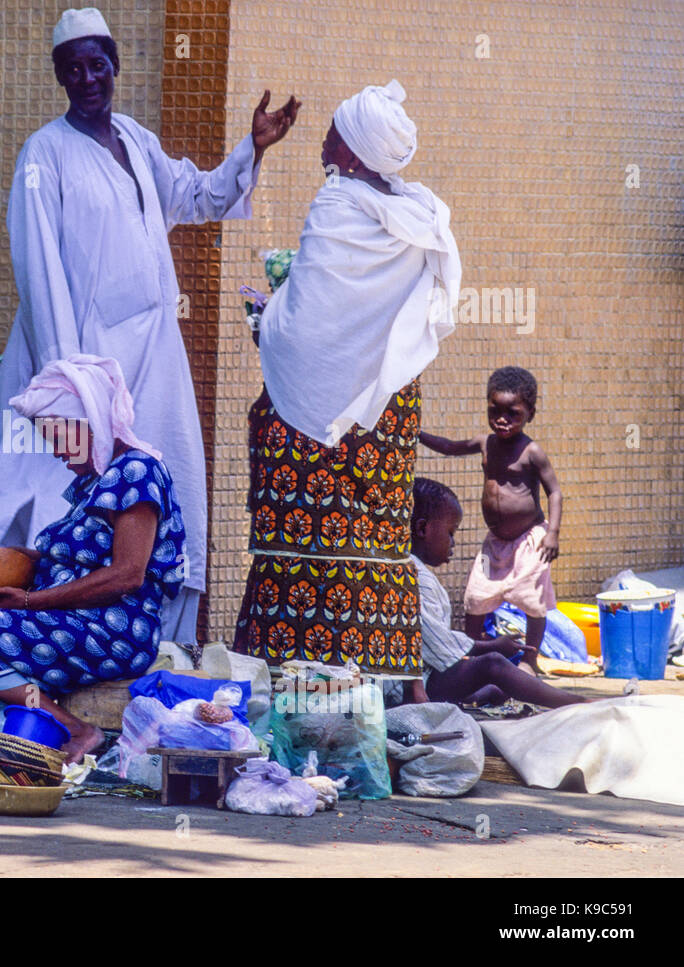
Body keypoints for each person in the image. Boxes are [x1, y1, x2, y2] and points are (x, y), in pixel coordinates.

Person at [0, 6, 300, 645]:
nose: (87, 78)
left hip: (155, 354)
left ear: (114, 68)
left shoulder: (137, 139)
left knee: (162, 481)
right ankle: (48, 634)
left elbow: (200, 196)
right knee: (56, 493)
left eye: (98, 65)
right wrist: (73, 382)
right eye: (74, 69)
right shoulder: (43, 154)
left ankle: (158, 642)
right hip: (83, 358)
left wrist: (252, 146)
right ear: (61, 79)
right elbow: (39, 269)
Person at [232, 80, 462, 678]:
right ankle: (384, 676)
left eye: (333, 133)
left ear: (354, 152)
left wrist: (268, 322)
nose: (324, 142)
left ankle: (287, 669)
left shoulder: (337, 203)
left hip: (315, 419)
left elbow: (307, 327)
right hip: (386, 405)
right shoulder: (419, 213)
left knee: (306, 543)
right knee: (377, 544)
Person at [0, 354, 187, 763]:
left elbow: (126, 576)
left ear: (87, 423)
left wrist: (31, 601)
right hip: (65, 616)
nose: (53, 451)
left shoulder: (136, 471)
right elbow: (68, 556)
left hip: (113, 629)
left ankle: (75, 730)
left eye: (56, 436)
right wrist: (7, 559)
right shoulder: (93, 480)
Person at [419, 366, 562, 653]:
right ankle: (473, 653)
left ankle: (530, 659)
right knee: (476, 596)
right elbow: (448, 447)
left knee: (531, 599)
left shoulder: (531, 452)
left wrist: (553, 533)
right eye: (495, 411)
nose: (502, 420)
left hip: (530, 539)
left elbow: (555, 492)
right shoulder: (485, 443)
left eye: (513, 414)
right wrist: (416, 433)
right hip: (495, 542)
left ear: (530, 414)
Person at [408, 478, 582, 708]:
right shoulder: (415, 577)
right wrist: (493, 646)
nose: (453, 543)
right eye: (451, 532)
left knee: (495, 690)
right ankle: (578, 702)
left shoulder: (415, 572)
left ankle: (510, 693)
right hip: (420, 685)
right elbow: (442, 646)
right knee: (493, 665)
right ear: (422, 529)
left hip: (430, 677)